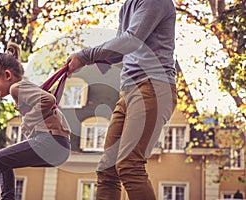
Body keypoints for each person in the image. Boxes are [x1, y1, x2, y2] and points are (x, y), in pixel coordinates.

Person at [66, 0, 177, 199]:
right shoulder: (128, 5)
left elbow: (130, 40)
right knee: (107, 170)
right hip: (128, 91)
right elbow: (120, 51)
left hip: (153, 85)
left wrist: (85, 55)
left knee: (129, 165)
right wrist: (87, 60)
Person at [0, 42, 71, 200]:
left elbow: (48, 99)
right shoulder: (22, 89)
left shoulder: (17, 88)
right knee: (3, 162)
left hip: (51, 141)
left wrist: (28, 120)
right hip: (59, 147)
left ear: (7, 75)